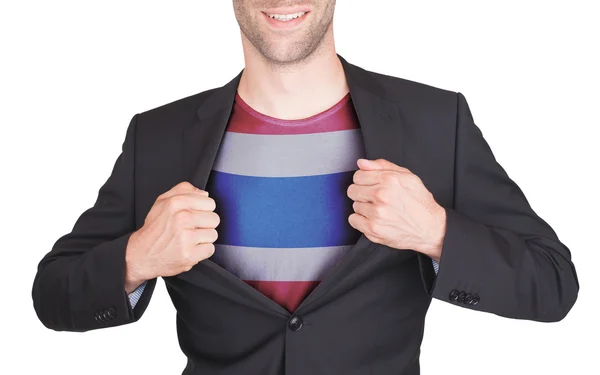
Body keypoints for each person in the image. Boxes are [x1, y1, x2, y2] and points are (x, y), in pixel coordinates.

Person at [31, 1, 579, 374]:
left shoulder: (436, 121)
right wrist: (137, 257)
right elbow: (52, 295)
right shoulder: (158, 136)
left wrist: (437, 232)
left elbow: (552, 283)